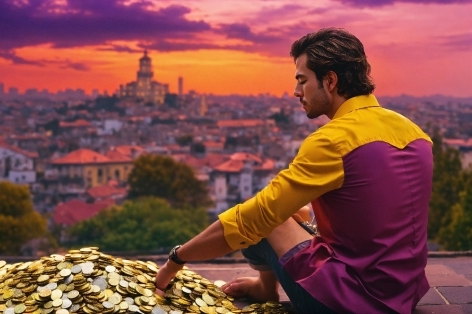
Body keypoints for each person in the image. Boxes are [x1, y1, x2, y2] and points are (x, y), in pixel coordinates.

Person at [155, 28, 433, 314]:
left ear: (330, 80)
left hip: (354, 303)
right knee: (293, 212)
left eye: (302, 80)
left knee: (266, 217)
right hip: (403, 295)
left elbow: (255, 216)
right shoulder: (415, 133)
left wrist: (175, 260)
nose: (296, 91)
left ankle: (265, 288)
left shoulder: (333, 140)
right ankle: (263, 287)